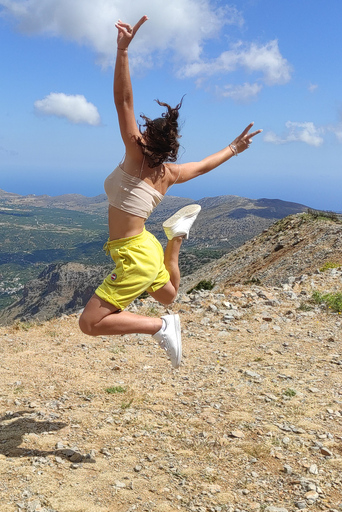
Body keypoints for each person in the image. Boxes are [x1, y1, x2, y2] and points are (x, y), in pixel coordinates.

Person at [77, 16, 261, 368]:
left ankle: (162, 327)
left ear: (146, 135)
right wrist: (234, 149)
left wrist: (123, 50)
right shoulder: (170, 173)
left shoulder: (134, 152)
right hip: (145, 244)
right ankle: (174, 240)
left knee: (90, 323)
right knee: (168, 294)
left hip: (136, 253)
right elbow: (205, 165)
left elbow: (124, 101)